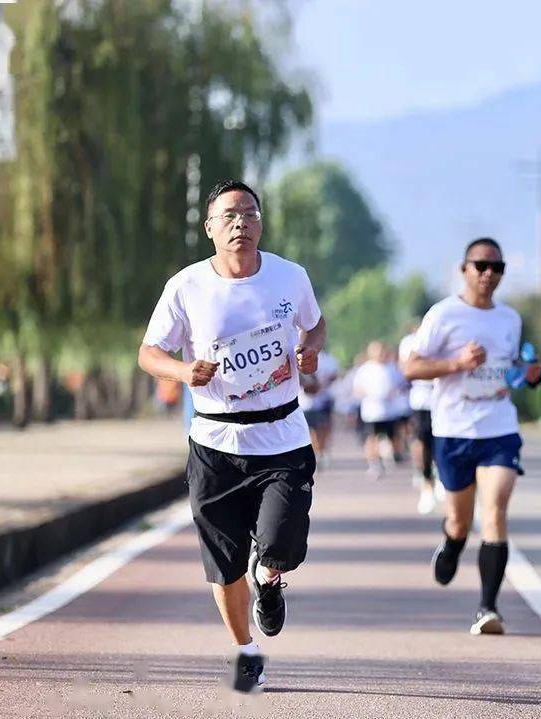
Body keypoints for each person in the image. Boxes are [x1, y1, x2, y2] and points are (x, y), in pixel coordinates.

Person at [138, 179, 326, 693]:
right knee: (223, 565)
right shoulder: (186, 286)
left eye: (248, 213)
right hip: (216, 442)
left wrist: (309, 350)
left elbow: (316, 324)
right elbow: (149, 352)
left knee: (280, 543)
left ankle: (270, 578)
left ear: (261, 223)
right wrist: (182, 373)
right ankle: (246, 651)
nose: (239, 222)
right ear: (210, 229)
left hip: (282, 437)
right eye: (228, 215)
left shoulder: (290, 278)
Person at [401, 237, 541, 635]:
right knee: (460, 520)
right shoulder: (443, 315)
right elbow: (410, 368)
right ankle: (451, 542)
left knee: (495, 513)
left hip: (499, 427)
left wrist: (532, 374)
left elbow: (513, 368)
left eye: (496, 267)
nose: (488, 274)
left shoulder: (509, 319)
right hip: (453, 430)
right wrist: (456, 363)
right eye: (480, 265)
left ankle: (488, 608)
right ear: (463, 268)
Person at [399, 323, 444, 514]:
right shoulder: (409, 343)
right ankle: (427, 484)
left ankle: (442, 476)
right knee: (422, 442)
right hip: (421, 399)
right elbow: (406, 369)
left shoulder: (444, 341)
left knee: (442, 441)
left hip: (444, 399)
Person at [353, 340, 406, 479]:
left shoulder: (392, 368)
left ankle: (393, 456)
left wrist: (392, 393)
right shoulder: (365, 369)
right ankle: (374, 463)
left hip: (389, 411)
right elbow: (357, 388)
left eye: (382, 351)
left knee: (393, 436)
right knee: (371, 438)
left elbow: (401, 384)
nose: (380, 354)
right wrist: (369, 394)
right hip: (372, 412)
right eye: (377, 351)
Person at [298, 348, 340, 466]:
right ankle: (315, 453)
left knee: (323, 428)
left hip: (324, 401)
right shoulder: (298, 356)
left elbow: (335, 375)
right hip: (305, 403)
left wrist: (323, 383)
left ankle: (321, 451)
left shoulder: (328, 359)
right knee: (310, 431)